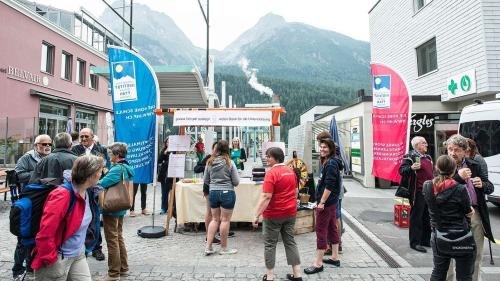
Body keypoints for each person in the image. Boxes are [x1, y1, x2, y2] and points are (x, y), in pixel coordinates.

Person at [31, 155, 104, 281]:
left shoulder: (89, 191)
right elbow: (46, 231)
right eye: (100, 170)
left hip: (78, 254)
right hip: (57, 257)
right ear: (91, 174)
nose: (101, 174)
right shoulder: (62, 195)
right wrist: (50, 258)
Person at [446, 134, 495, 281]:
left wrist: (483, 184)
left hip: (475, 214)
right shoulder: (443, 165)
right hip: (451, 215)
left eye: (457, 150)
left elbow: (490, 187)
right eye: (450, 149)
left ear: (465, 151)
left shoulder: (474, 165)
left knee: (476, 253)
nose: (453, 153)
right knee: (448, 254)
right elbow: (439, 190)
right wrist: (458, 178)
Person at [253, 147, 302, 281]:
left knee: (270, 244)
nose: (266, 158)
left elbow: (266, 196)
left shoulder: (271, 173)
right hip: (290, 212)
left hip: (274, 214)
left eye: (269, 156)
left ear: (276, 158)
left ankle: (269, 276)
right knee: (290, 242)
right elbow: (295, 192)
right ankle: (297, 274)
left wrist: (256, 215)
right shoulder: (291, 171)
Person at [423, 155, 475, 281]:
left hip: (438, 235)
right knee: (465, 276)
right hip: (461, 237)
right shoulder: (460, 188)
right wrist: (471, 211)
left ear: (437, 168)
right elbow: (468, 211)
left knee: (438, 272)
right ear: (454, 170)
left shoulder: (428, 186)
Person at [12, 134, 52, 280]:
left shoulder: (51, 157)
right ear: (36, 146)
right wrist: (39, 175)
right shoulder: (26, 158)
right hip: (28, 202)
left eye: (49, 144)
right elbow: (19, 175)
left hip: (43, 202)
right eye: (43, 144)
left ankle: (30, 266)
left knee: (37, 236)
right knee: (23, 238)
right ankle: (17, 269)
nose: (47, 147)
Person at [304, 138, 342, 275]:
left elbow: (330, 185)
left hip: (327, 203)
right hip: (332, 202)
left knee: (321, 231)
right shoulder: (331, 162)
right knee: (332, 227)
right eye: (321, 147)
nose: (322, 149)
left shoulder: (331, 163)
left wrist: (321, 202)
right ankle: (335, 257)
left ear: (331, 149)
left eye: (325, 147)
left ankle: (318, 263)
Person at [97, 142, 134, 281]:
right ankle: (123, 268)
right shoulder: (126, 167)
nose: (109, 155)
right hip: (121, 206)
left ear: (118, 155)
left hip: (112, 208)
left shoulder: (117, 169)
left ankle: (113, 274)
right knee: (118, 237)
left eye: (111, 153)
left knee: (112, 239)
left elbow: (101, 184)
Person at [72, 128, 108, 261]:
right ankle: (83, 246)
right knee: (81, 217)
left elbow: (107, 167)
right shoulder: (75, 150)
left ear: (93, 137)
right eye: (81, 137)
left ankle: (97, 248)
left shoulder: (101, 149)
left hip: (95, 188)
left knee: (95, 217)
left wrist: (100, 182)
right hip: (80, 188)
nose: (83, 139)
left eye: (86, 136)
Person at [204, 140, 240, 255]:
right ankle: (224, 248)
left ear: (217, 149)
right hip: (227, 192)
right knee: (225, 220)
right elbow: (236, 182)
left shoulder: (210, 162)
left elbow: (206, 180)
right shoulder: (230, 162)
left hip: (213, 193)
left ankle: (208, 247)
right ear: (227, 149)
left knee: (214, 219)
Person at [398, 136, 433, 253]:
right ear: (417, 145)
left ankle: (425, 240)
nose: (426, 145)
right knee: (416, 218)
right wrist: (411, 167)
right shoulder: (410, 156)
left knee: (427, 217)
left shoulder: (427, 157)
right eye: (424, 143)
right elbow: (402, 170)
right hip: (417, 192)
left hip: (428, 191)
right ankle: (415, 242)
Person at [194, 142, 221, 244]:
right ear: (213, 149)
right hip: (209, 188)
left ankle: (218, 231)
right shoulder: (208, 158)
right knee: (209, 211)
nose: (217, 151)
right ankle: (208, 236)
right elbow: (196, 169)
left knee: (219, 212)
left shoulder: (225, 159)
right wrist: (207, 166)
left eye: (219, 149)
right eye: (215, 149)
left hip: (219, 188)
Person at [158, 138, 174, 215]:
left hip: (173, 175)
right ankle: (164, 208)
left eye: (170, 142)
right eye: (167, 142)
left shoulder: (175, 151)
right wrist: (165, 153)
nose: (169, 143)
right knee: (164, 193)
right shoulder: (163, 150)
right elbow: (159, 160)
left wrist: (166, 162)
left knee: (173, 192)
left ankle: (172, 208)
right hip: (164, 175)